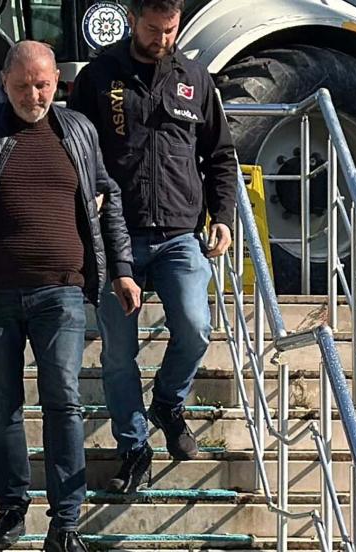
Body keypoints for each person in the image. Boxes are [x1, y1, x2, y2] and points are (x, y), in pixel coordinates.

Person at [0, 40, 140, 552]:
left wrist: (123, 270)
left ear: (56, 82)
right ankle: (12, 508)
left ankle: (66, 522)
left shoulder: (80, 130)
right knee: (2, 407)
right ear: (4, 82)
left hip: (60, 292)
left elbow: (108, 202)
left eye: (42, 85)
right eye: (22, 86)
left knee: (64, 399)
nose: (33, 96)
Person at [68, 0, 237, 493]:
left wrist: (223, 217)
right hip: (115, 236)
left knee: (196, 328)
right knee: (119, 354)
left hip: (180, 234)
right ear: (132, 19)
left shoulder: (195, 79)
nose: (161, 39)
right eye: (151, 28)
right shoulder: (99, 76)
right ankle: (134, 449)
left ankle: (167, 401)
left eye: (169, 30)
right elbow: (75, 150)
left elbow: (220, 156)